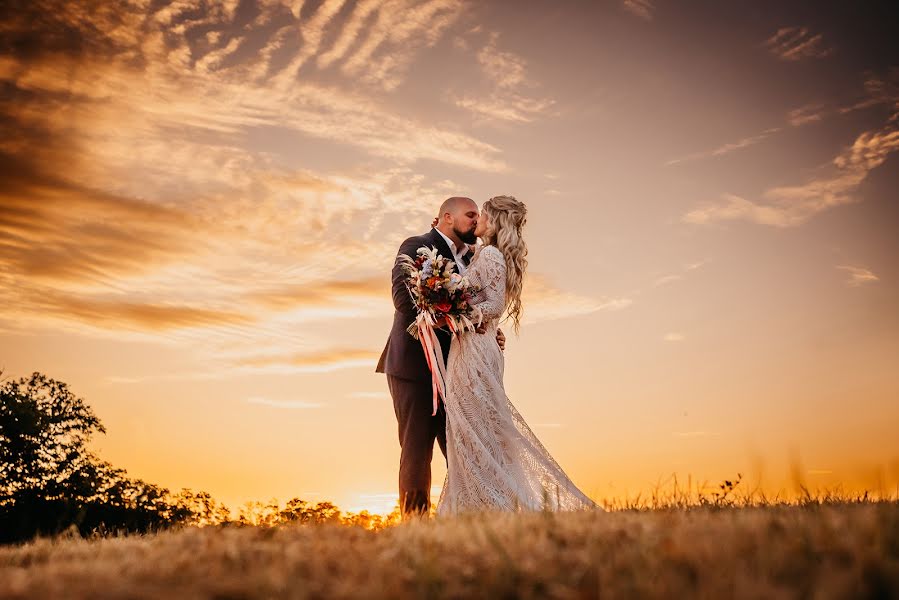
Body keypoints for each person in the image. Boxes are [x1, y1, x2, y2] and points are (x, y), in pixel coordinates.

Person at [436, 195, 600, 515]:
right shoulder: (483, 253)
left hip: (475, 350)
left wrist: (455, 316)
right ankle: (474, 506)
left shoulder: (492, 255)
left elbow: (494, 306)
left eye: (482, 215)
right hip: (469, 346)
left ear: (494, 222)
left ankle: (496, 505)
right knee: (469, 427)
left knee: (479, 427)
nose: (478, 220)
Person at [376, 196, 506, 520]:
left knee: (464, 448)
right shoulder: (418, 245)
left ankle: (472, 520)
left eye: (479, 216)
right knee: (417, 451)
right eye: (470, 215)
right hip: (415, 367)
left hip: (460, 370)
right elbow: (403, 298)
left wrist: (486, 330)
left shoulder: (476, 259)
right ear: (447, 217)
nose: (476, 221)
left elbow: (480, 305)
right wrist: (455, 319)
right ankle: (416, 525)